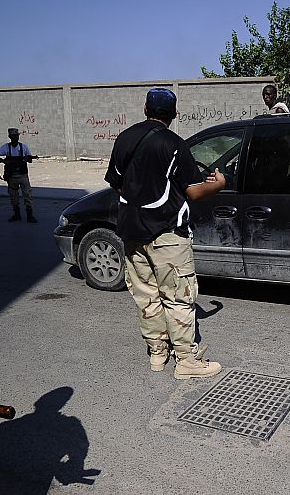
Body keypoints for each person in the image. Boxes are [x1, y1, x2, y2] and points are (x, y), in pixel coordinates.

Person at [105, 88, 226, 379]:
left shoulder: (124, 139)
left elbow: (117, 184)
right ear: (173, 113)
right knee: (179, 298)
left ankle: (158, 354)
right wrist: (219, 184)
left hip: (132, 234)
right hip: (168, 235)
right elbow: (194, 192)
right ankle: (186, 360)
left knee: (146, 296)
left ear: (146, 108)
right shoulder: (174, 144)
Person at [0, 128, 37, 223]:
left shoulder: (23, 147)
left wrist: (27, 158)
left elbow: (29, 159)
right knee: (13, 196)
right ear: (10, 137)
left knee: (27, 195)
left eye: (16, 136)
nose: (15, 138)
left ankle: (30, 215)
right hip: (11, 176)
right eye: (13, 136)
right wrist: (4, 161)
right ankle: (17, 214)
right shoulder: (6, 147)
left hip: (23, 175)